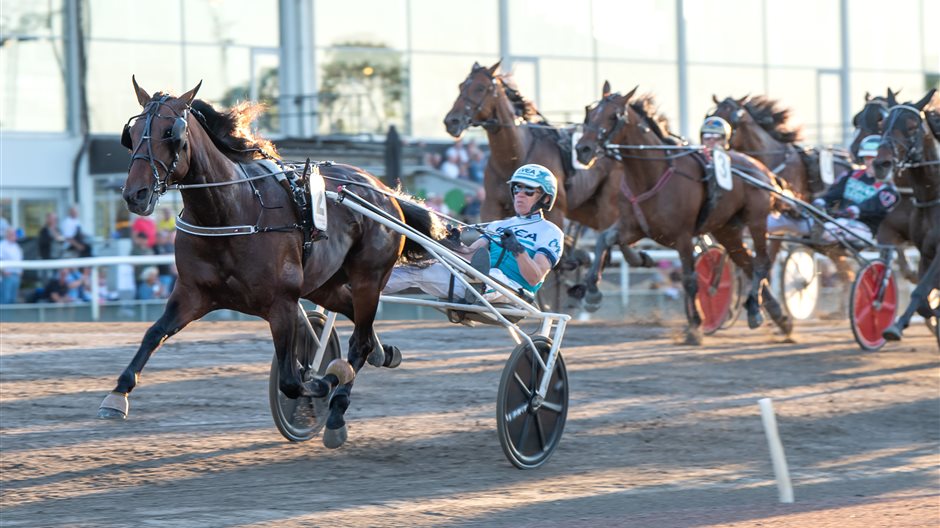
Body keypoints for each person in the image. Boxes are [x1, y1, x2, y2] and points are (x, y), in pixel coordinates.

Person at [384, 164, 563, 303]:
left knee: (493, 277)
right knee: (417, 269)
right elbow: (469, 256)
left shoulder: (550, 232)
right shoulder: (498, 225)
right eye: (517, 188)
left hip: (512, 290)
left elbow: (534, 278)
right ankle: (362, 287)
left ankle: (480, 290)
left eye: (529, 190)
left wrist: (518, 250)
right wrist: (453, 243)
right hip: (475, 280)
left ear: (546, 198)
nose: (520, 195)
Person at [768, 135, 899, 244]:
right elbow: (832, 194)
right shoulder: (851, 175)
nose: (870, 162)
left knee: (832, 227)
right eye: (867, 158)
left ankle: (818, 230)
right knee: (782, 221)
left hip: (862, 228)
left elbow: (870, 207)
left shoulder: (888, 190)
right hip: (834, 221)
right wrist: (820, 203)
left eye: (874, 159)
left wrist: (850, 211)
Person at [0, 227, 24, 304]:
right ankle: (4, 316)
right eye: (13, 234)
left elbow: (20, 260)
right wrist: (3, 272)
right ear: (8, 234)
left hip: (16, 275)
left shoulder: (17, 247)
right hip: (7, 275)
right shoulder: (2, 245)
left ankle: (11, 316)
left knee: (13, 299)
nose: (14, 236)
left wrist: (20, 272)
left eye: (15, 234)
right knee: (5, 298)